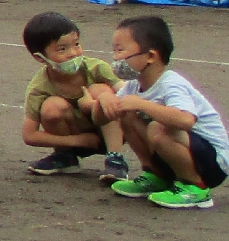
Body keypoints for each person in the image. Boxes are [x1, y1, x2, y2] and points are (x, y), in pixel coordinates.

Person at [95, 15, 229, 210]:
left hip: (211, 163)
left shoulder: (171, 84)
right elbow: (102, 119)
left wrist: (141, 104)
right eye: (114, 51)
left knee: (159, 126)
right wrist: (103, 100)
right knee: (127, 114)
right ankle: (156, 175)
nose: (115, 58)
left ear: (150, 56)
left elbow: (185, 120)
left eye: (120, 50)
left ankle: (195, 187)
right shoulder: (134, 85)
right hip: (182, 151)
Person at [20, 11, 129, 181]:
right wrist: (80, 141)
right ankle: (65, 157)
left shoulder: (96, 68)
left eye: (76, 44)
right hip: (74, 138)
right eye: (62, 49)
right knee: (52, 106)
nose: (73, 53)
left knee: (100, 90)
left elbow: (128, 94)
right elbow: (29, 135)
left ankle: (115, 159)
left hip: (110, 131)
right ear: (40, 58)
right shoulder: (39, 88)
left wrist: (96, 104)